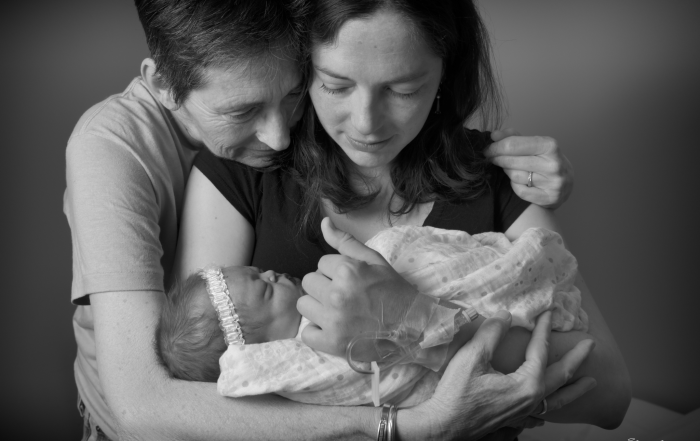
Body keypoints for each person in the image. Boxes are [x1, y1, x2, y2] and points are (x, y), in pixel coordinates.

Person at [63, 0, 587, 440]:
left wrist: (422, 322)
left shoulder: (489, 171)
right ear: (162, 85)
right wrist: (409, 423)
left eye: (292, 94)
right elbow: (150, 406)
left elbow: (604, 387)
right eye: (333, 86)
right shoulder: (123, 151)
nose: (278, 138)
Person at [158, 222, 588, 409]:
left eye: (257, 270)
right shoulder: (301, 364)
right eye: (264, 286)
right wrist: (417, 326)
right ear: (257, 350)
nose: (270, 270)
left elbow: (611, 394)